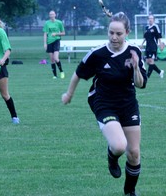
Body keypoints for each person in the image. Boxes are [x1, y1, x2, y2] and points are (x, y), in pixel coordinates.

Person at [61, 12, 147, 196]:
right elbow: (78, 74)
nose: (114, 37)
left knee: (134, 153)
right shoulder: (98, 54)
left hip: (128, 104)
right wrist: (69, 94)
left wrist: (136, 66)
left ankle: (129, 191)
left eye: (119, 34)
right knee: (118, 145)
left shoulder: (134, 52)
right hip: (104, 102)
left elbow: (141, 84)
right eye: (111, 33)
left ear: (127, 32)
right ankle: (112, 157)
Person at [43, 10, 65, 79]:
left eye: (53, 14)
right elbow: (45, 34)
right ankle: (55, 75)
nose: (51, 16)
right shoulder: (47, 23)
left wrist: (56, 34)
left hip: (56, 41)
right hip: (49, 42)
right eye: (50, 14)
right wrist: (45, 43)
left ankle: (61, 71)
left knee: (56, 58)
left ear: (55, 15)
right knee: (52, 59)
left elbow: (63, 33)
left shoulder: (59, 22)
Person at [141, 14, 164, 78]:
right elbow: (145, 37)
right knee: (148, 62)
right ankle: (160, 72)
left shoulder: (155, 27)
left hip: (153, 46)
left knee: (151, 60)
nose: (150, 20)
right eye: (149, 18)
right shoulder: (146, 27)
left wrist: (160, 45)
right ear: (148, 19)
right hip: (148, 46)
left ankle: (147, 76)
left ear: (154, 20)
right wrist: (142, 44)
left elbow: (159, 37)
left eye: (151, 18)